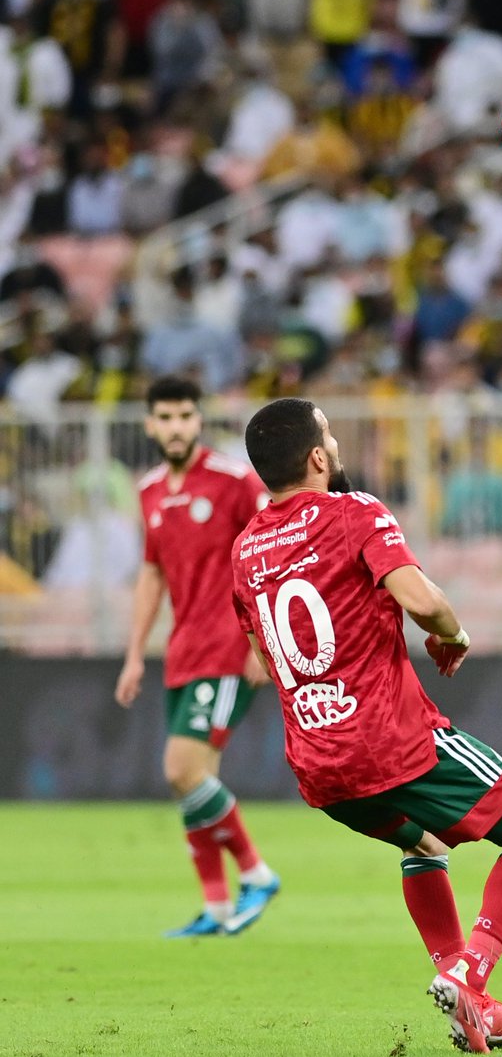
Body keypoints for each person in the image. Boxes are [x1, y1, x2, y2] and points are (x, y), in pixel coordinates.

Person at [231, 397, 502, 1055]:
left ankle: (474, 1010)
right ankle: (471, 973)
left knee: (426, 847)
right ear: (319, 457)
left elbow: (262, 667)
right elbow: (423, 601)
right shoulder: (356, 512)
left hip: (317, 765)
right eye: (329, 435)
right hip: (391, 740)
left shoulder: (244, 550)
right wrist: (452, 633)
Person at [115, 376, 280, 937]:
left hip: (229, 647)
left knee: (180, 769)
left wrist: (264, 640)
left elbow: (271, 550)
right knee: (193, 781)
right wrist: (135, 654)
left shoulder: (234, 480)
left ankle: (257, 873)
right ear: (150, 424)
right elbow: (152, 574)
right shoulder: (150, 490)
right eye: (165, 417)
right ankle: (215, 908)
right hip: (183, 649)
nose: (176, 426)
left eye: (185, 415)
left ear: (198, 420)